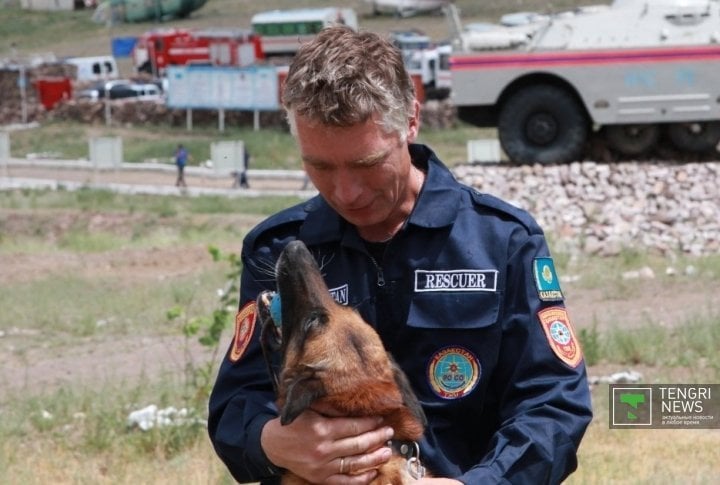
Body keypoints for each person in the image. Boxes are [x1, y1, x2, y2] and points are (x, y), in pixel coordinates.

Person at [208, 26, 592, 485]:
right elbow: (235, 405)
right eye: (320, 166)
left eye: (367, 164)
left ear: (410, 120)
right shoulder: (277, 250)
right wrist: (271, 441)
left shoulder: (501, 240)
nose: (345, 193)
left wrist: (484, 482)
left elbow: (553, 403)